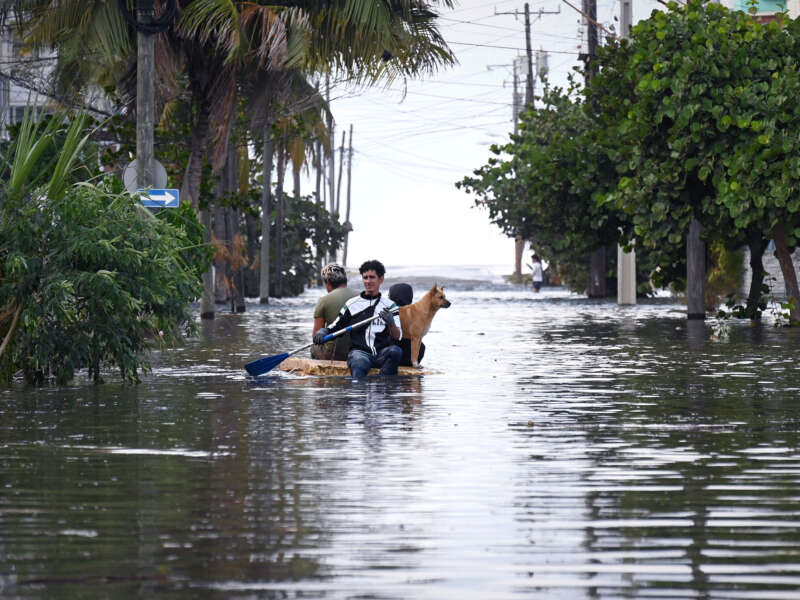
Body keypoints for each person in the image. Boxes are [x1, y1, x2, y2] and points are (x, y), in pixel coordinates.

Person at [313, 259, 403, 378]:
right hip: (359, 353)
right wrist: (323, 331)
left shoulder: (391, 306)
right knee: (360, 361)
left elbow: (398, 336)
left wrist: (391, 322)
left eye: (372, 277)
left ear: (381, 279)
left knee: (396, 351)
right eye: (365, 277)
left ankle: (385, 385)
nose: (368, 281)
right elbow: (336, 326)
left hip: (381, 354)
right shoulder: (351, 304)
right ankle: (358, 392)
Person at [311, 263, 359, 361]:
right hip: (359, 351)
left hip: (334, 353)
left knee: (313, 348)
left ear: (327, 282)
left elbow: (316, 337)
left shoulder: (324, 300)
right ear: (345, 280)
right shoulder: (362, 296)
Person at [388, 282, 425, 367]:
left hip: (392, 354)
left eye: (389, 296)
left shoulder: (390, 312)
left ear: (392, 298)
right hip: (409, 358)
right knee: (421, 346)